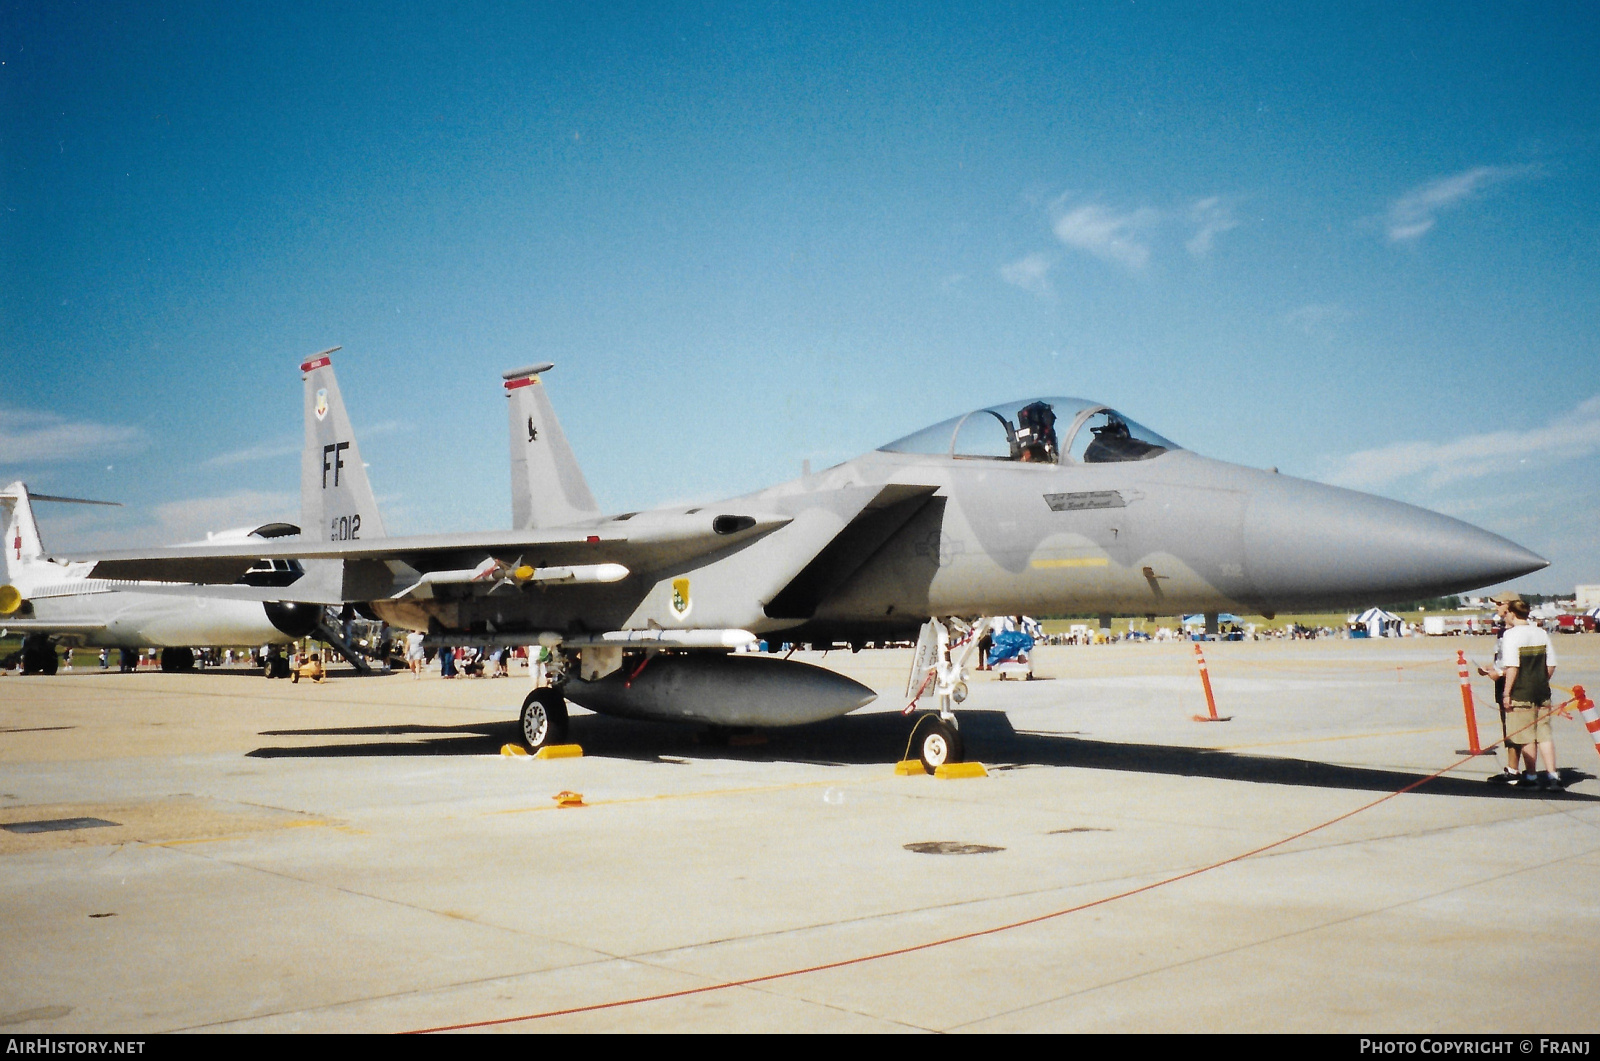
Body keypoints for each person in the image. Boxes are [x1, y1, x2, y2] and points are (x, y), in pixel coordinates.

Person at [1500, 598, 1560, 791]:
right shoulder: (1540, 632)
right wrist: (1542, 681)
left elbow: (1512, 667)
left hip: (1522, 692)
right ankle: (1553, 775)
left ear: (1511, 613)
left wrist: (1506, 693)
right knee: (1544, 735)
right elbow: (1551, 664)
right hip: (1542, 691)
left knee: (1526, 736)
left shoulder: (1511, 635)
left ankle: (1532, 775)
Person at [1478, 592, 1521, 785]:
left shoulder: (1518, 631)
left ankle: (1515, 771)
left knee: (1515, 727)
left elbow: (1517, 662)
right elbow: (1502, 658)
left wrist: (1501, 673)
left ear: (1509, 606)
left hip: (1512, 684)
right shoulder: (1502, 631)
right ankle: (1513, 768)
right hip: (1502, 682)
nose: (1496, 607)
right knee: (1507, 726)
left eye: (1498, 604)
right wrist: (1490, 668)